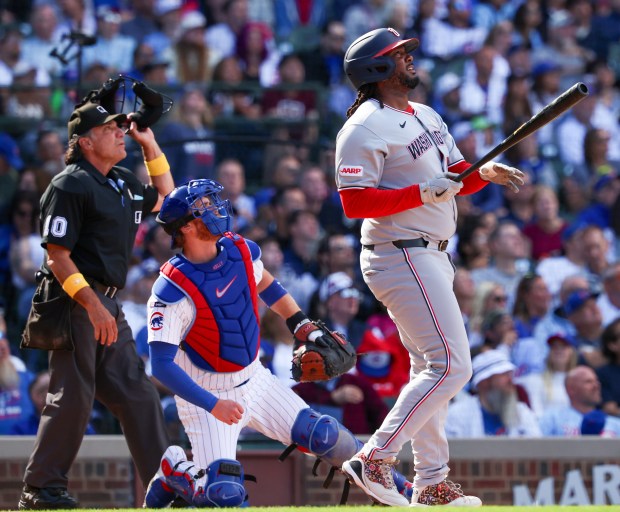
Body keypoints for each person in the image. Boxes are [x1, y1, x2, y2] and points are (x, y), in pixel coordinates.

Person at [335, 28, 525, 507]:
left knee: (431, 366)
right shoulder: (363, 125)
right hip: (399, 250)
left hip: (432, 251)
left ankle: (431, 483)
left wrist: (480, 175)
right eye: (399, 55)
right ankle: (375, 457)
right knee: (453, 365)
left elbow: (453, 181)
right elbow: (354, 203)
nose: (409, 59)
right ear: (377, 70)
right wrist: (423, 192)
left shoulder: (426, 114)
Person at [143, 178, 415, 508]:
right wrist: (213, 404)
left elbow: (269, 287)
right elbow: (160, 366)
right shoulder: (170, 289)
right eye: (204, 206)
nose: (216, 209)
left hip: (254, 377)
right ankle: (180, 472)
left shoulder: (237, 249)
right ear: (185, 227)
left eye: (214, 201)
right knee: (223, 496)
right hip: (207, 395)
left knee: (325, 435)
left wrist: (303, 326)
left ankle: (403, 489)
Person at [18, 100, 175, 510]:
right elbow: (57, 254)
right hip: (73, 301)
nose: (120, 131)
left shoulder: (119, 181)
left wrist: (151, 146)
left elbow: (166, 199)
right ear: (85, 141)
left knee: (138, 394)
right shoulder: (70, 183)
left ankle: (166, 487)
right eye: (110, 129)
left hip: (106, 303)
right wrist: (91, 305)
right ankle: (41, 489)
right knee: (72, 395)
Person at [445, 350, 541, 437]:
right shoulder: (457, 415)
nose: (511, 380)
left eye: (510, 374)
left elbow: (537, 451)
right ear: (484, 382)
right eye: (504, 374)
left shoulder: (523, 413)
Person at [539, 365, 620, 437]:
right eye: (588, 382)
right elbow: (536, 448)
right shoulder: (552, 418)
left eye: (596, 381)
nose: (596, 385)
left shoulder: (614, 423)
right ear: (571, 389)